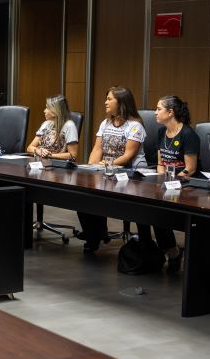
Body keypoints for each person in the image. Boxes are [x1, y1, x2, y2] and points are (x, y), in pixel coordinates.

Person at [77, 86, 147, 253]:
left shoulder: (135, 126)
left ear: (121, 102)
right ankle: (94, 235)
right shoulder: (106, 123)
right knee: (83, 196)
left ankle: (143, 241)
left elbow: (128, 155)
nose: (105, 102)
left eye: (109, 99)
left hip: (130, 175)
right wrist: (91, 168)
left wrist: (106, 166)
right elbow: (97, 148)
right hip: (107, 171)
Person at [140, 95, 198, 271]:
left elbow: (190, 169)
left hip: (185, 185)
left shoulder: (188, 134)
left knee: (159, 210)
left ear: (170, 112)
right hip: (166, 182)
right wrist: (160, 180)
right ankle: (148, 248)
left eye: (159, 109)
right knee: (143, 206)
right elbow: (160, 163)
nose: (155, 112)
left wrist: (171, 182)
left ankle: (172, 252)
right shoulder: (161, 132)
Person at [26, 95, 79, 161]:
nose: (44, 111)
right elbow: (29, 148)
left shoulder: (69, 126)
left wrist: (49, 155)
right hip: (39, 161)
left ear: (55, 110)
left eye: (47, 108)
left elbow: (73, 155)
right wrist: (38, 150)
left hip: (55, 164)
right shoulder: (46, 124)